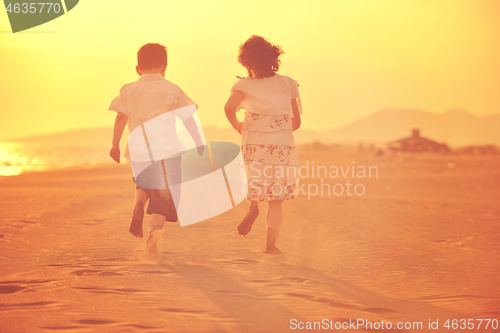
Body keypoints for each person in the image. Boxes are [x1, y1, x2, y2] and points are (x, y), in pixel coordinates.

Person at [109, 42, 204, 252]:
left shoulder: (128, 89)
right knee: (164, 193)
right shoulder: (172, 89)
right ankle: (153, 237)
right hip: (167, 150)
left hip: (139, 150)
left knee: (143, 183)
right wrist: (197, 141)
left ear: (137, 68)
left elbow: (120, 118)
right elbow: (188, 118)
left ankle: (137, 207)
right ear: (165, 66)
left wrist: (115, 144)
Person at [224, 35, 302, 254]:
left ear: (246, 62)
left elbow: (228, 108)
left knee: (255, 178)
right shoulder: (288, 83)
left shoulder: (243, 85)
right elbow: (296, 122)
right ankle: (271, 243)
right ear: (273, 58)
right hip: (281, 141)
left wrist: (239, 126)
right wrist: (282, 127)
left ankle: (254, 206)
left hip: (254, 138)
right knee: (277, 197)